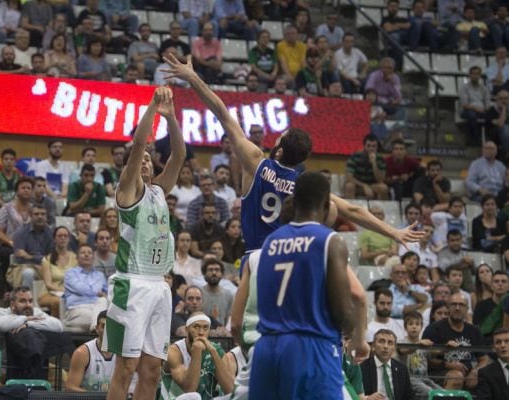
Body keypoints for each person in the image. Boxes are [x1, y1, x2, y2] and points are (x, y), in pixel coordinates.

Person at [162, 53, 423, 260]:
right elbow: (353, 209)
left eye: (280, 136)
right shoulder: (303, 185)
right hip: (284, 258)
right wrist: (394, 231)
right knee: (330, 208)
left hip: (254, 256)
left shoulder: (255, 160)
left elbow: (221, 111)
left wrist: (193, 78)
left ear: (280, 148)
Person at [238, 172, 360, 400]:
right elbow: (341, 308)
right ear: (326, 204)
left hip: (268, 349)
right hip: (311, 349)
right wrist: (353, 330)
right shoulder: (330, 241)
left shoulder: (271, 243)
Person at [98, 87, 185, 400]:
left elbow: (180, 156)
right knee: (126, 368)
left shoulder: (159, 191)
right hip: (131, 285)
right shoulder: (128, 192)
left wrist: (170, 116)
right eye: (143, 160)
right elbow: (136, 147)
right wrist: (151, 109)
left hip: (160, 287)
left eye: (152, 159)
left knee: (152, 370)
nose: (147, 162)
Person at [0, 286, 68, 380]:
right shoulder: (2, 312)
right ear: (12, 304)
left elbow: (58, 325)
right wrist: (24, 319)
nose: (28, 305)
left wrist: (29, 324)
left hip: (32, 364)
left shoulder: (36, 313)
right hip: (5, 368)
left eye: (30, 301)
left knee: (62, 375)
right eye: (22, 301)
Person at [66, 312, 118, 392]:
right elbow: (71, 387)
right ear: (97, 328)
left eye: (112, 327)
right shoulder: (82, 353)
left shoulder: (124, 353)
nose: (108, 331)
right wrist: (95, 398)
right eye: (104, 326)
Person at [63, 244, 108, 331]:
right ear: (76, 257)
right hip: (77, 309)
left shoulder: (100, 275)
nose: (86, 255)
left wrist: (103, 295)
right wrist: (98, 292)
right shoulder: (70, 273)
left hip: (97, 306)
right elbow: (80, 288)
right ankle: (97, 328)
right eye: (83, 252)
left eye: (89, 253)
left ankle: (95, 328)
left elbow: (107, 294)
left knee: (103, 301)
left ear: (93, 257)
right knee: (102, 318)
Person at [7, 204, 53, 289]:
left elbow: (51, 257)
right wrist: (38, 259)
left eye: (43, 214)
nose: (40, 217)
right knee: (28, 273)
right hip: (24, 266)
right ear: (30, 216)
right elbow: (21, 259)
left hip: (46, 267)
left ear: (46, 217)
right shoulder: (20, 233)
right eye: (36, 214)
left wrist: (30, 256)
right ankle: (25, 299)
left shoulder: (50, 233)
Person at [475, 328, 509, 400]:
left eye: (507, 341)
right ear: (494, 348)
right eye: (498, 342)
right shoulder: (486, 373)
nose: (503, 345)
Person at [345, 134, 389, 200]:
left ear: (377, 147)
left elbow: (380, 179)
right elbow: (349, 177)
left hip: (373, 185)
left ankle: (379, 209)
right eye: (368, 146)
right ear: (364, 146)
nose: (371, 148)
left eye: (374, 146)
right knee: (349, 186)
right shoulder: (355, 157)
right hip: (358, 185)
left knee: (384, 188)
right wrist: (364, 186)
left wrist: (374, 164)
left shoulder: (380, 159)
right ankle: (350, 209)